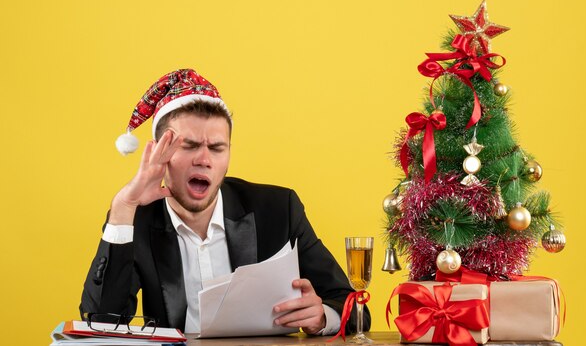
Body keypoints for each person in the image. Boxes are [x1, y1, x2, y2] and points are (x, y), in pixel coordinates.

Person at [80, 69, 370, 335]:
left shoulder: (278, 209)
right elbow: (101, 323)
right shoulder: (136, 219)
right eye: (189, 146)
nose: (204, 160)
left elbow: (356, 310)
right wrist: (123, 207)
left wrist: (321, 317)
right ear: (159, 154)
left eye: (217, 148)